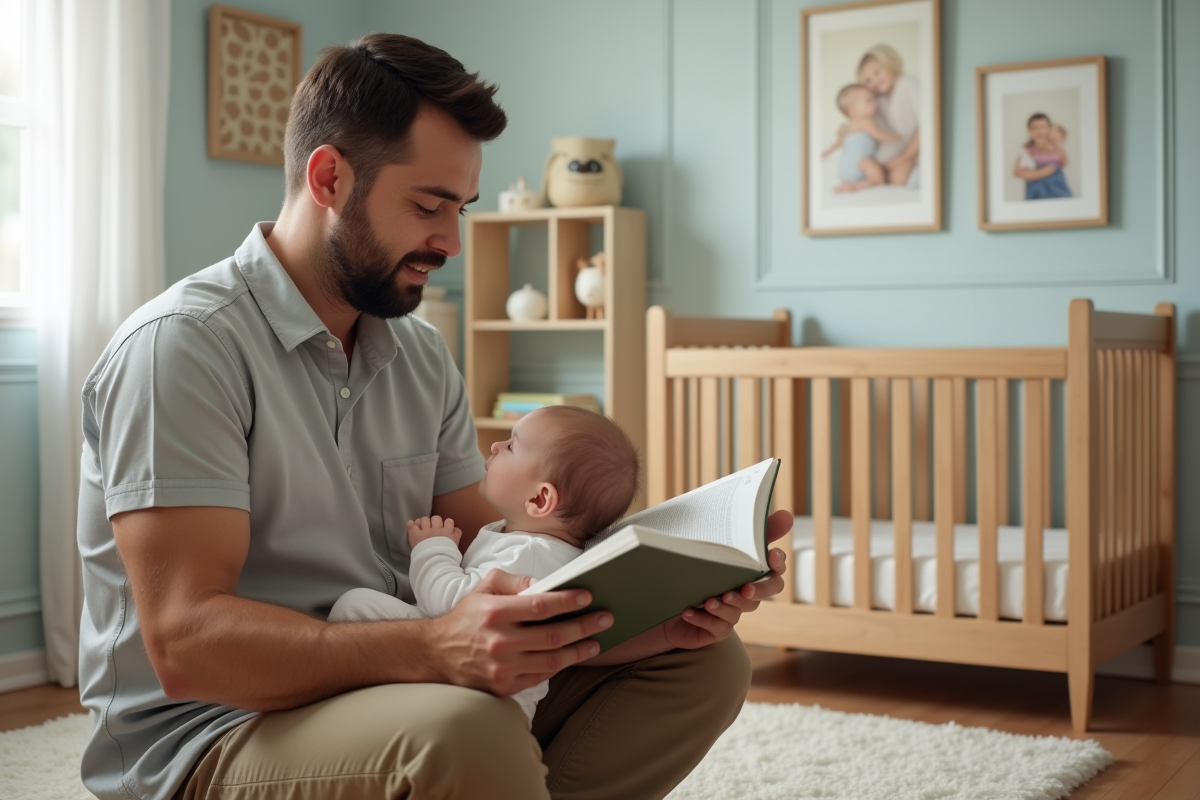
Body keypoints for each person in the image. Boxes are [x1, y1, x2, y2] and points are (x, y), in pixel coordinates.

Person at [76, 32, 792, 800]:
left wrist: (667, 606)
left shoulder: (420, 357)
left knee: (703, 663)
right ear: (328, 178)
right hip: (215, 730)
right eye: (428, 206)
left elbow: (510, 572)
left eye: (462, 209)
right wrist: (435, 647)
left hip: (388, 685)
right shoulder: (183, 349)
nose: (451, 241)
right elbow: (188, 645)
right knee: (467, 735)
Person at [330, 404, 640, 725]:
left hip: (476, 698)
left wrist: (432, 549)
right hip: (485, 695)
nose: (495, 446)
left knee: (353, 608)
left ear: (539, 500)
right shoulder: (548, 548)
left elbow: (449, 608)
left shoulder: (527, 555)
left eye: (510, 446)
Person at [857, 43, 921, 187]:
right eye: (868, 80)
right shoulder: (879, 101)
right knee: (877, 170)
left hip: (915, 149)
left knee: (898, 179)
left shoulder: (910, 85)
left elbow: (928, 124)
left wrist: (905, 157)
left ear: (890, 64)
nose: (874, 81)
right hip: (899, 151)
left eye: (877, 73)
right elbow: (865, 123)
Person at [821, 83, 902, 193]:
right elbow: (878, 135)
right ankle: (857, 186)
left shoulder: (848, 127)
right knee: (877, 175)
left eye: (874, 99)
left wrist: (828, 151)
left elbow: (839, 142)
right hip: (860, 164)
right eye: (869, 101)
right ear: (853, 111)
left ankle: (849, 184)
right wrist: (898, 137)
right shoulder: (865, 121)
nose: (875, 103)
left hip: (844, 169)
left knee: (874, 165)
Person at [1014, 113, 1072, 199]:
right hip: (1036, 191)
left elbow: (1063, 163)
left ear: (1050, 129)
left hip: (1057, 189)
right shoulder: (1028, 150)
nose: (1039, 131)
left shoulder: (1055, 147)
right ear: (1029, 132)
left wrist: (1059, 148)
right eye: (1034, 128)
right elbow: (1017, 171)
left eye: (1042, 127)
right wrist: (1042, 172)